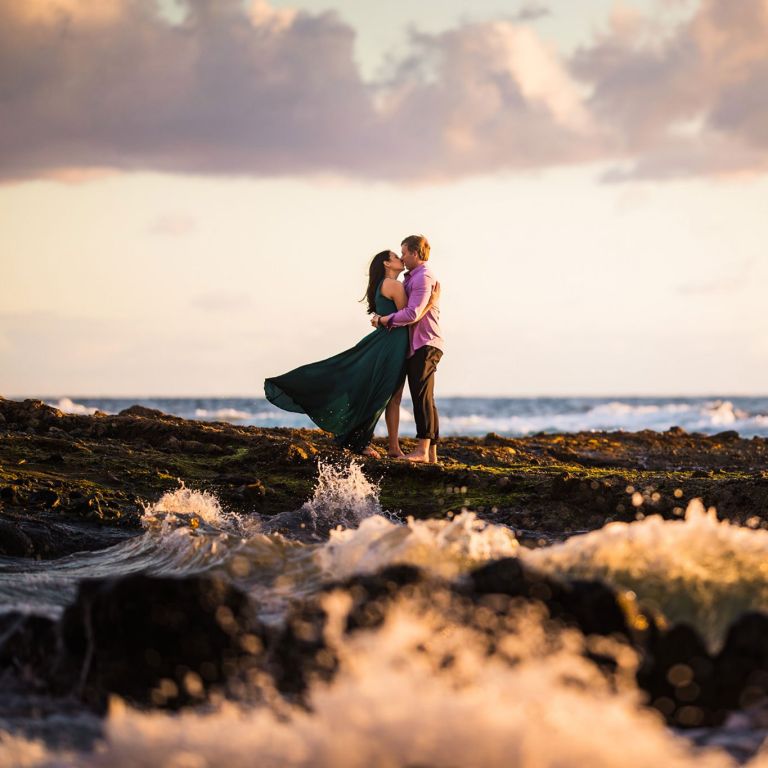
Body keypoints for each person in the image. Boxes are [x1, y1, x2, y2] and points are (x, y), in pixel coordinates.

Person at [264, 250, 439, 457]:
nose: (400, 258)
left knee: (389, 396)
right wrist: (431, 303)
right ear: (386, 263)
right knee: (385, 396)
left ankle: (393, 448)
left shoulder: (382, 285)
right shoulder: (394, 285)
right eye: (395, 256)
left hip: (391, 343)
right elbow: (410, 317)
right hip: (393, 345)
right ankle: (374, 443)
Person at [371, 234, 443, 464]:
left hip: (425, 342)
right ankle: (431, 454)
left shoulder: (423, 277)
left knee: (421, 395)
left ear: (415, 253)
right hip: (419, 344)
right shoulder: (411, 278)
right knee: (426, 397)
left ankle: (422, 450)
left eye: (403, 253)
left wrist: (383, 320)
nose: (402, 257)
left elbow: (412, 314)